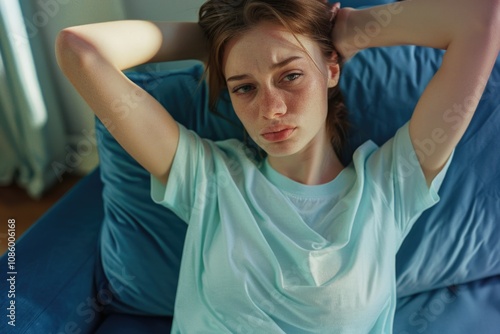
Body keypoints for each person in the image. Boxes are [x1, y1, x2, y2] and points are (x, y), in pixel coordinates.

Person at [56, 0, 499, 332]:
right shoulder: (207, 178)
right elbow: (78, 48)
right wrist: (209, 40)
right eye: (244, 87)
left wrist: (352, 29)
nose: (270, 109)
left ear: (331, 70)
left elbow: (480, 21)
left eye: (290, 76)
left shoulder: (389, 185)